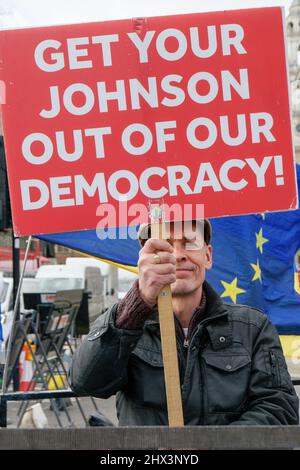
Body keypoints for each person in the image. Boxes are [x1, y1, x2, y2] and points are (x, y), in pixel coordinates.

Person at [69, 219, 299, 426]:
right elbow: (85, 383)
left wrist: (206, 447)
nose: (177, 254)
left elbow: (280, 409)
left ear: (208, 256)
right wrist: (137, 304)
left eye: (189, 242)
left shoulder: (253, 327)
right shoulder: (124, 324)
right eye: (164, 245)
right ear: (144, 260)